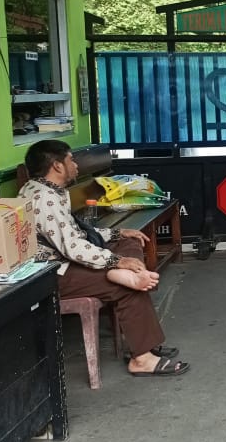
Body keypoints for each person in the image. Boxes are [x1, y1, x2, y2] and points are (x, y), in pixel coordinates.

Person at [19, 139, 189, 376]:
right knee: (125, 286)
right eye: (71, 160)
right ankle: (142, 359)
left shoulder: (47, 190)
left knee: (130, 242)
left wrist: (117, 234)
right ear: (57, 166)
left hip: (68, 261)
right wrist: (116, 261)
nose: (76, 165)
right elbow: (72, 247)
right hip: (54, 273)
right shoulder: (43, 198)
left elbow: (78, 232)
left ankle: (130, 285)